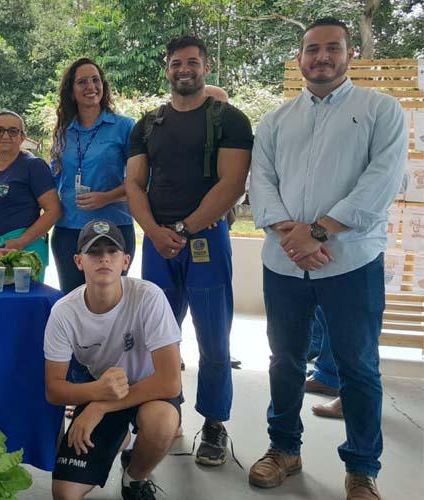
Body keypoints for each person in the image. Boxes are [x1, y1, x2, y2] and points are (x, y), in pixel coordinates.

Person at [248, 18, 406, 499]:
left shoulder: (381, 110)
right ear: (299, 58)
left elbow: (379, 184)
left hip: (351, 263)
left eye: (331, 48)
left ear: (350, 53)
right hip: (284, 264)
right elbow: (262, 182)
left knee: (358, 367)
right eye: (312, 49)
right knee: (285, 361)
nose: (321, 57)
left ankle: (362, 468)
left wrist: (318, 233)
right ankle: (284, 449)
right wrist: (291, 237)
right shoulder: (276, 120)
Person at [125, 35, 253, 466]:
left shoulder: (229, 120)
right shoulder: (148, 124)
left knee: (214, 336)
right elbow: (133, 184)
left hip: (206, 242)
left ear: (206, 66)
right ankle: (165, 409)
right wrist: (153, 231)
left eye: (192, 62)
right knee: (157, 335)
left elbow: (232, 184)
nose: (185, 69)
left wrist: (181, 228)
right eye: (177, 62)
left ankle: (215, 424)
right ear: (167, 68)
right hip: (158, 243)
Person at [44, 220, 182, 500]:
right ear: (79, 261)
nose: (104, 257)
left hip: (149, 390)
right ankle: (123, 437)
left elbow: (170, 383)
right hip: (102, 388)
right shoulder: (63, 312)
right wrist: (96, 393)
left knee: (162, 421)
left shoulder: (149, 297)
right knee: (64, 493)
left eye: (112, 251)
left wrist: (98, 407)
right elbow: (54, 390)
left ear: (126, 261)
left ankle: (134, 477)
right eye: (94, 252)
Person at [49, 58, 137, 294]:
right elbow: (51, 182)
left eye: (95, 80)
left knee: (111, 300)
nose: (91, 86)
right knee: (72, 300)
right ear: (71, 91)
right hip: (69, 229)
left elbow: (141, 181)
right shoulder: (63, 132)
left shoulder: (125, 127)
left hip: (114, 227)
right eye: (82, 81)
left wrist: (107, 197)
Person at [0, 110, 61, 282]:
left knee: (25, 306)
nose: (6, 135)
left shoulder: (33, 166)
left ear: (23, 137)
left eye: (13, 131)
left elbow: (54, 211)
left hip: (23, 253)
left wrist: (20, 242)